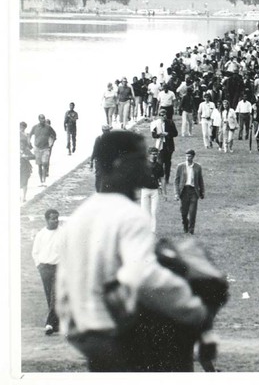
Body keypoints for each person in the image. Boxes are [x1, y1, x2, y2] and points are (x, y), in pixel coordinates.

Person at [56, 130, 212, 372]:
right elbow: (141, 275)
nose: (146, 165)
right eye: (140, 159)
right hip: (115, 334)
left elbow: (63, 289)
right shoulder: (129, 215)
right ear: (120, 163)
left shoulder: (79, 216)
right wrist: (192, 307)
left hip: (84, 334)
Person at [32, 208, 63, 335]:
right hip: (44, 268)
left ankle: (49, 324)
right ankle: (56, 324)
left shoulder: (63, 233)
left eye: (57, 218)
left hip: (59, 268)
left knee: (55, 295)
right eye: (53, 218)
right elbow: (35, 252)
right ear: (46, 220)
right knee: (49, 295)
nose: (56, 221)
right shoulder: (41, 234)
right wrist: (39, 265)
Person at [175, 149, 205, 235]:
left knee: (192, 212)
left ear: (193, 157)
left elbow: (200, 180)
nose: (188, 158)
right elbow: (176, 181)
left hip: (193, 191)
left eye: (190, 156)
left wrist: (202, 191)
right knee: (183, 212)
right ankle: (185, 225)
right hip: (184, 191)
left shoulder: (197, 167)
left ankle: (191, 230)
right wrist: (177, 193)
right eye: (187, 156)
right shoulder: (180, 166)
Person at [140, 147, 164, 233]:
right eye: (153, 154)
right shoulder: (144, 165)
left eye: (156, 154)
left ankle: (152, 230)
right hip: (145, 190)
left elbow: (161, 179)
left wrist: (163, 190)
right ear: (149, 155)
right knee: (144, 211)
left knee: (154, 211)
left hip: (154, 190)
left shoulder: (159, 166)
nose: (155, 156)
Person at [29, 114, 56, 187]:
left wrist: (51, 143)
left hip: (45, 148)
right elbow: (30, 135)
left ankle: (44, 180)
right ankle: (41, 181)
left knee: (44, 163)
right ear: (39, 119)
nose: (43, 120)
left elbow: (54, 135)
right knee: (39, 165)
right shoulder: (35, 127)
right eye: (41, 119)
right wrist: (29, 143)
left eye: (44, 118)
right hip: (37, 148)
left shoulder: (48, 127)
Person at [20, 121, 34, 201]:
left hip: (24, 163)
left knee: (25, 179)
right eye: (21, 127)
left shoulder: (26, 135)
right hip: (20, 163)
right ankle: (21, 196)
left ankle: (24, 197)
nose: (21, 128)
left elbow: (30, 147)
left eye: (23, 127)